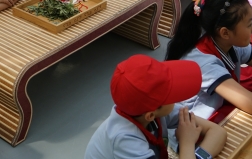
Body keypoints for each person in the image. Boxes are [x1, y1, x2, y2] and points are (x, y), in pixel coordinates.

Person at [84, 55, 226, 159]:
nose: (176, 99)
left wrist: (197, 156)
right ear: (150, 115)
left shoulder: (145, 108)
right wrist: (187, 143)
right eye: (170, 95)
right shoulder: (125, 141)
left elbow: (218, 132)